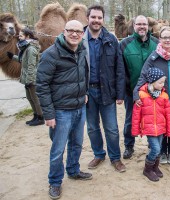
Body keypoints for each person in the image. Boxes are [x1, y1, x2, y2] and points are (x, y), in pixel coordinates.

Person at [36, 20, 91, 200]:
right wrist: (49, 114)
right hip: (60, 111)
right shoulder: (51, 54)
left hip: (79, 107)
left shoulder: (82, 50)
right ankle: (55, 182)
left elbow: (85, 73)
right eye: (71, 31)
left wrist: (85, 92)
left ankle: (73, 170)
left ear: (82, 34)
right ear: (64, 31)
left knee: (76, 143)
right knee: (58, 148)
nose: (75, 34)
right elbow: (42, 85)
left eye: (78, 31)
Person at [133, 26, 170, 165]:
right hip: (157, 102)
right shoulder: (153, 58)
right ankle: (161, 151)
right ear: (160, 39)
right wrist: (136, 94)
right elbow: (143, 77)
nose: (167, 40)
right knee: (160, 128)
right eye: (164, 37)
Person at [83, 5, 126, 172]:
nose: (96, 20)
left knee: (112, 128)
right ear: (88, 18)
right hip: (87, 92)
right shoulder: (80, 39)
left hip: (107, 90)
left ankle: (115, 158)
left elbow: (119, 68)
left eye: (99, 18)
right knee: (92, 127)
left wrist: (120, 93)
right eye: (93, 17)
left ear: (103, 19)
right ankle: (99, 154)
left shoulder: (111, 39)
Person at [119, 15, 159, 159]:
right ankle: (129, 145)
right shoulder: (124, 44)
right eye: (139, 24)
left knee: (152, 119)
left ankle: (152, 145)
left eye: (144, 24)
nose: (142, 27)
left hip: (153, 92)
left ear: (148, 26)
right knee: (130, 120)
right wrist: (123, 90)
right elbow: (120, 69)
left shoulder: (156, 43)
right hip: (131, 91)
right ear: (134, 26)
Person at [132, 67, 170, 181]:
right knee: (155, 149)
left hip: (161, 127)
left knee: (159, 148)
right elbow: (136, 114)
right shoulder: (141, 95)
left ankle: (154, 167)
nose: (162, 84)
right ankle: (147, 169)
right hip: (149, 127)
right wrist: (135, 130)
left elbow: (169, 114)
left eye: (163, 82)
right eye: (160, 82)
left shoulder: (164, 95)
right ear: (152, 81)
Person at [6, 28, 44, 126]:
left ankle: (40, 117)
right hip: (28, 77)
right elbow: (24, 60)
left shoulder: (31, 49)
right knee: (29, 97)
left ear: (28, 36)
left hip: (31, 78)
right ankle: (36, 115)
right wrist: (13, 57)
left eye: (21, 36)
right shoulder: (26, 47)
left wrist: (29, 81)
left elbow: (31, 65)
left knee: (35, 98)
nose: (19, 37)